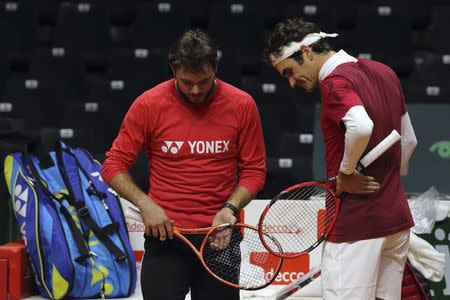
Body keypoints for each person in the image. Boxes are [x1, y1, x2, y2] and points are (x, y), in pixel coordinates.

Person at [101, 29, 266, 300]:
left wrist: (230, 209)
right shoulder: (149, 104)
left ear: (215, 68)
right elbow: (113, 165)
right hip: (166, 237)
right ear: (173, 69)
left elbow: (255, 171)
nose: (196, 90)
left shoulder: (242, 104)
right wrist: (146, 204)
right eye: (187, 82)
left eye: (203, 80)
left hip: (220, 237)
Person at [263, 18, 417, 300]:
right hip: (395, 222)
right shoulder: (383, 71)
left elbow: (361, 125)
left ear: (307, 53)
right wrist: (389, 181)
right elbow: (409, 140)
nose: (291, 82)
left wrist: (346, 173)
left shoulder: (335, 83)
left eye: (289, 71)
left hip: (355, 226)